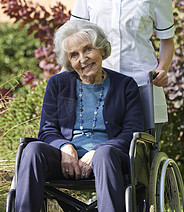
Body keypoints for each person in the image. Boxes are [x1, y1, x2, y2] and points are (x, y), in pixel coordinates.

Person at [15, 20, 144, 212]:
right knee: (32, 151)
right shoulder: (57, 84)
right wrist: (65, 147)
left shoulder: (125, 85)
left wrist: (99, 151)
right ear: (68, 61)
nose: (83, 59)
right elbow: (48, 130)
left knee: (104, 155)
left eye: (88, 49)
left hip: (110, 160)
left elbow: (131, 132)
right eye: (74, 55)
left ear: (101, 49)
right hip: (64, 161)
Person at [70, 0, 175, 142]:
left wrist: (163, 68)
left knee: (139, 160)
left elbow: (167, 40)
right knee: (96, 150)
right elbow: (74, 34)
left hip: (141, 86)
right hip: (96, 85)